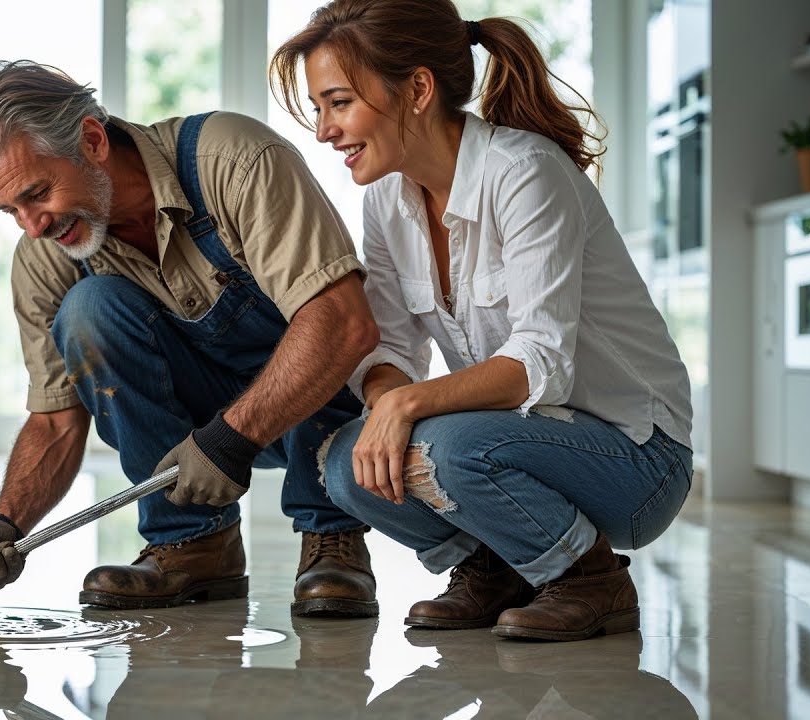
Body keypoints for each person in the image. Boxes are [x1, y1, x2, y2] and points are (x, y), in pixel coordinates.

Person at [270, 0, 693, 641]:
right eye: (320, 107)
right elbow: (388, 347)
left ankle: (590, 580)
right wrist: (387, 405)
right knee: (343, 466)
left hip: (638, 460)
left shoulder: (526, 173)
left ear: (417, 89)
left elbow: (539, 362)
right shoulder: (388, 197)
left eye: (338, 103)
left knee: (443, 447)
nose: (325, 129)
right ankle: (491, 568)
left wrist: (404, 406)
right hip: (526, 443)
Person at [0, 60, 382, 617]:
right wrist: (6, 519)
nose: (32, 225)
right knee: (88, 309)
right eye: (10, 211)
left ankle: (333, 536)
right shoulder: (45, 257)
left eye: (37, 193)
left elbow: (343, 323)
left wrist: (229, 439)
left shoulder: (231, 160)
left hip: (318, 407)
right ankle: (194, 544)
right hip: (198, 432)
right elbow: (56, 418)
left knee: (316, 318)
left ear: (92, 140)